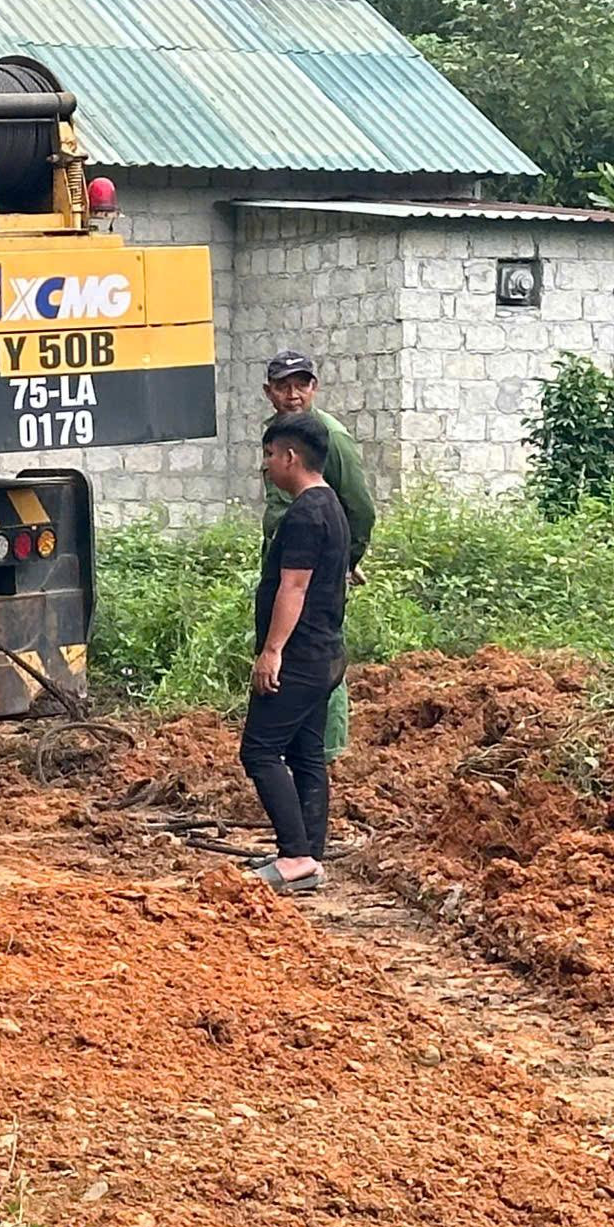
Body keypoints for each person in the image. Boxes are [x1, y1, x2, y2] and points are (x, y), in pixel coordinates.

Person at [240, 412, 350, 896]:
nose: (266, 465)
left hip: (299, 656)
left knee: (260, 750)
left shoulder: (305, 514)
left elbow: (295, 586)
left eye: (269, 455)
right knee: (306, 753)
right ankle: (308, 858)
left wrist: (272, 651)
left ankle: (295, 856)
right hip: (325, 652)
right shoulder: (331, 505)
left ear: (290, 457)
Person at [259, 350, 375, 763]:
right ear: (269, 392)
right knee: (287, 647)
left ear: (315, 388)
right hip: (288, 560)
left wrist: (343, 562)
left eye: (302, 385)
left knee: (319, 650)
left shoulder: (329, 437)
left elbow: (360, 507)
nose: (293, 394)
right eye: (283, 386)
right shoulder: (278, 435)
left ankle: (326, 750)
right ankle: (299, 747)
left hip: (314, 567)